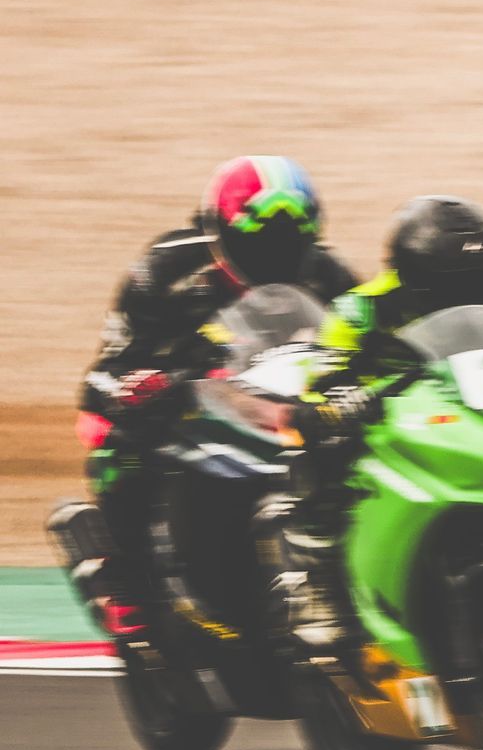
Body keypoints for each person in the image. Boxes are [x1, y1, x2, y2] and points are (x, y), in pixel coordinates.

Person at [281, 195, 483, 657]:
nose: (473, 296)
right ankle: (316, 577)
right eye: (458, 286)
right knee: (316, 452)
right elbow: (321, 377)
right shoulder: (362, 309)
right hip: (398, 428)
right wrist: (336, 400)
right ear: (414, 279)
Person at [73, 156, 357, 634]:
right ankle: (128, 577)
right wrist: (143, 387)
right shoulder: (166, 269)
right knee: (113, 441)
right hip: (192, 407)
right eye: (260, 243)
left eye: (291, 243)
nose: (276, 257)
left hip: (285, 408)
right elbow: (104, 375)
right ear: (220, 232)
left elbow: (366, 345)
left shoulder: (330, 275)